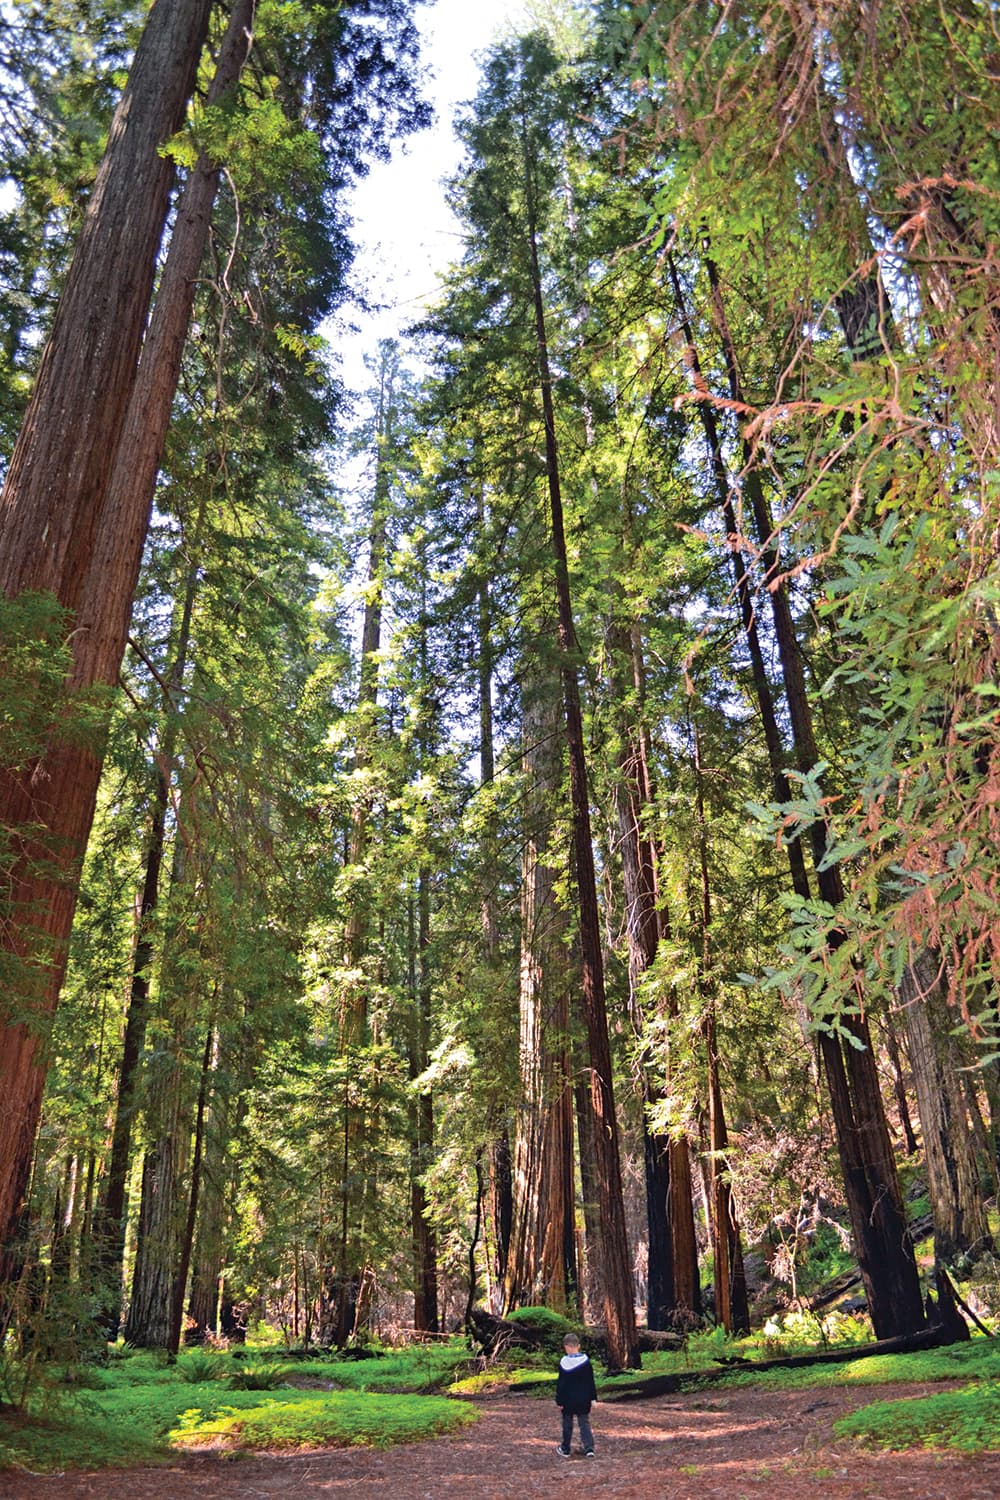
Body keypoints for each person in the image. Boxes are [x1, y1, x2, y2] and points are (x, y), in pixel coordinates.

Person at [555, 1332, 597, 1458]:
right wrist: (593, 1397)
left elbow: (561, 1384)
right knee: (584, 1423)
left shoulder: (564, 1362)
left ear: (566, 1346)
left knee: (567, 1423)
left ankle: (565, 1448)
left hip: (568, 1400)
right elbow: (590, 1381)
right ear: (578, 1345)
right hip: (583, 1398)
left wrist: (559, 1401)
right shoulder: (586, 1361)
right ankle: (589, 1448)